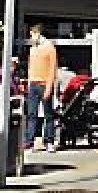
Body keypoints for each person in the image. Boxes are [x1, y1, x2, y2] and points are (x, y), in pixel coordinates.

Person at [23, 24, 58, 153]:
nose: (31, 37)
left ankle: (49, 141)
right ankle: (29, 142)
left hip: (44, 83)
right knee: (32, 114)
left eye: (32, 34)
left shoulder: (49, 47)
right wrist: (29, 82)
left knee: (48, 114)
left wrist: (49, 86)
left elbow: (52, 68)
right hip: (33, 84)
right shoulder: (33, 49)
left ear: (38, 33)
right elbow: (30, 67)